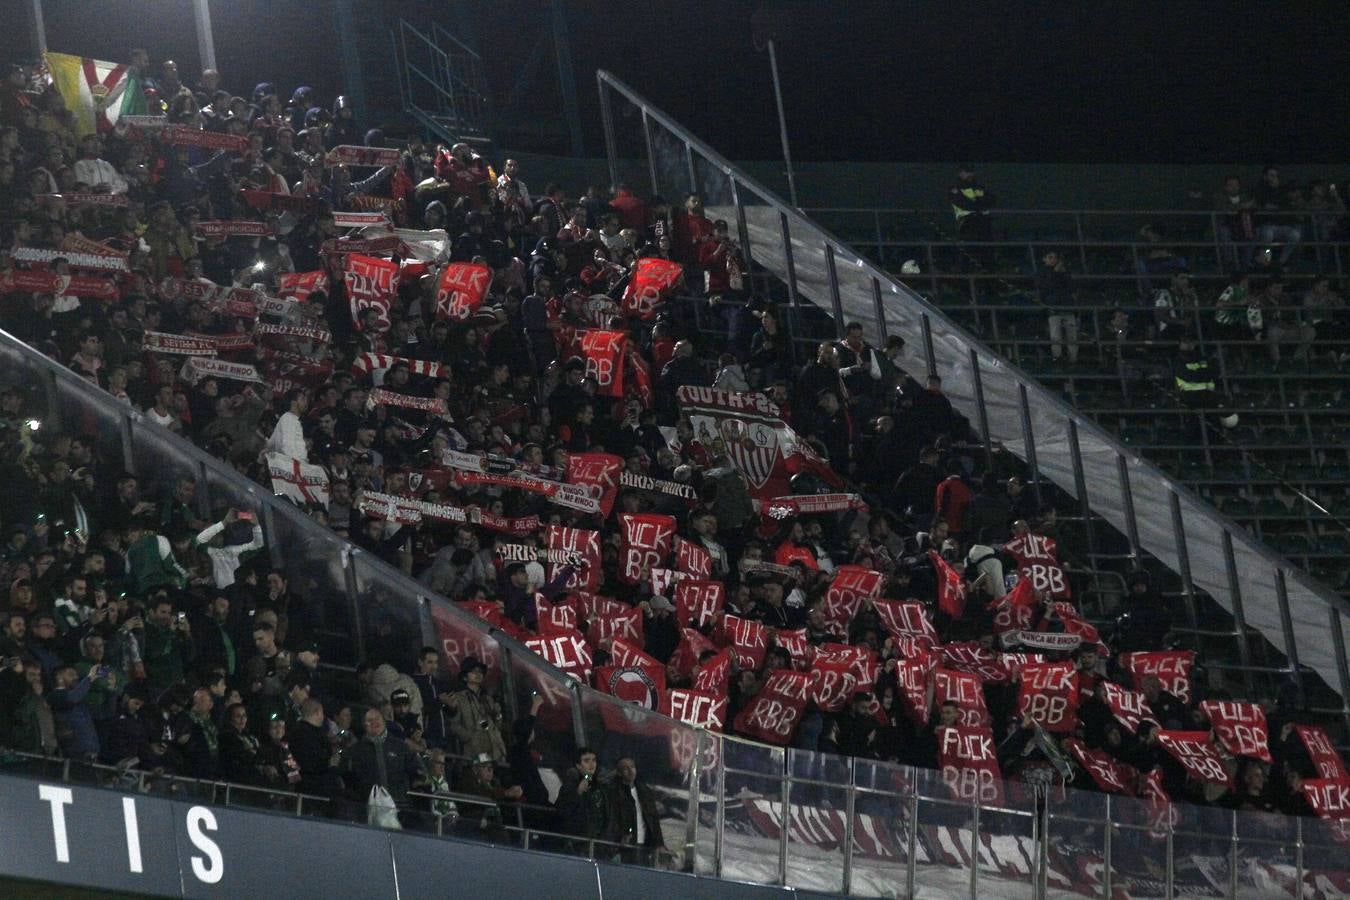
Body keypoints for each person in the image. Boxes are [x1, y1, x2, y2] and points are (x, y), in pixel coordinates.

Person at [341, 707, 424, 828]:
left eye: (377, 718)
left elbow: (417, 772)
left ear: (384, 721)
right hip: (367, 810)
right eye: (369, 720)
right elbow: (348, 779)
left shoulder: (400, 746)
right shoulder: (355, 751)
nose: (374, 722)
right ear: (363, 725)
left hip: (401, 809)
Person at [605, 757, 665, 865]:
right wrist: (619, 837)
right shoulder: (614, 793)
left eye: (632, 766)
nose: (630, 770)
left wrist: (659, 842)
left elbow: (653, 818)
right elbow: (613, 818)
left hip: (645, 845)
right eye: (625, 768)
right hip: (625, 846)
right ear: (619, 773)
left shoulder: (645, 791)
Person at [557, 746, 609, 841]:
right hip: (578, 840)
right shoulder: (570, 785)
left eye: (593, 760)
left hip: (599, 841)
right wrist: (578, 792)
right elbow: (562, 811)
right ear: (578, 765)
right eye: (586, 761)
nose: (591, 764)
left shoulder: (602, 787)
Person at [1036, 250, 1078, 363]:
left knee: (1072, 337)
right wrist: (1055, 272)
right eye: (1050, 257)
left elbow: (1072, 288)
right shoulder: (1042, 272)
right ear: (1044, 259)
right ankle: (1057, 358)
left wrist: (1063, 273)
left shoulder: (1065, 272)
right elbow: (1045, 288)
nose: (1053, 260)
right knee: (1056, 337)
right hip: (1053, 308)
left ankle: (1073, 359)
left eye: (1055, 257)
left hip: (1067, 307)